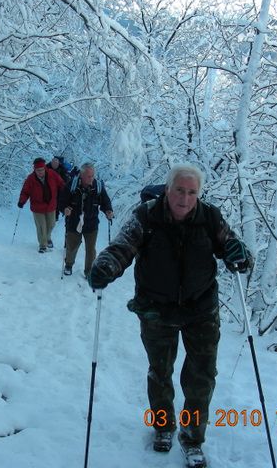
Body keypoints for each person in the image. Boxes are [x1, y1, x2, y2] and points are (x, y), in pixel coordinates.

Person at [87, 164, 252, 468]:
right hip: (156, 309)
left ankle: (192, 437)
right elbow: (123, 246)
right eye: (179, 190)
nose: (185, 198)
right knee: (160, 371)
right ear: (167, 189)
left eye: (192, 192)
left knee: (201, 377)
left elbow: (231, 245)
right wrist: (107, 265)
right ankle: (163, 426)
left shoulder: (210, 217)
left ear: (198, 195)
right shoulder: (146, 216)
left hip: (201, 309)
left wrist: (238, 254)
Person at [58, 162, 114, 278]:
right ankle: (68, 264)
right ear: (82, 175)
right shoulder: (71, 185)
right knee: (72, 246)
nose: (91, 178)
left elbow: (105, 201)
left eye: (92, 175)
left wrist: (108, 210)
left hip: (91, 223)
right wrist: (65, 209)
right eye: (89, 176)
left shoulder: (98, 186)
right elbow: (61, 201)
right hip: (74, 222)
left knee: (91, 250)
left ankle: (89, 271)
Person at [18, 157, 65, 253]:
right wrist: (22, 201)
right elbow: (25, 191)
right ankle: (43, 245)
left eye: (42, 170)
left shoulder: (52, 174)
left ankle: (47, 238)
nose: (40, 172)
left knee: (51, 224)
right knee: (41, 226)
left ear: (45, 168)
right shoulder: (30, 179)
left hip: (51, 205)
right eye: (38, 170)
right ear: (34, 170)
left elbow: (61, 183)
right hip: (37, 207)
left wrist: (66, 192)